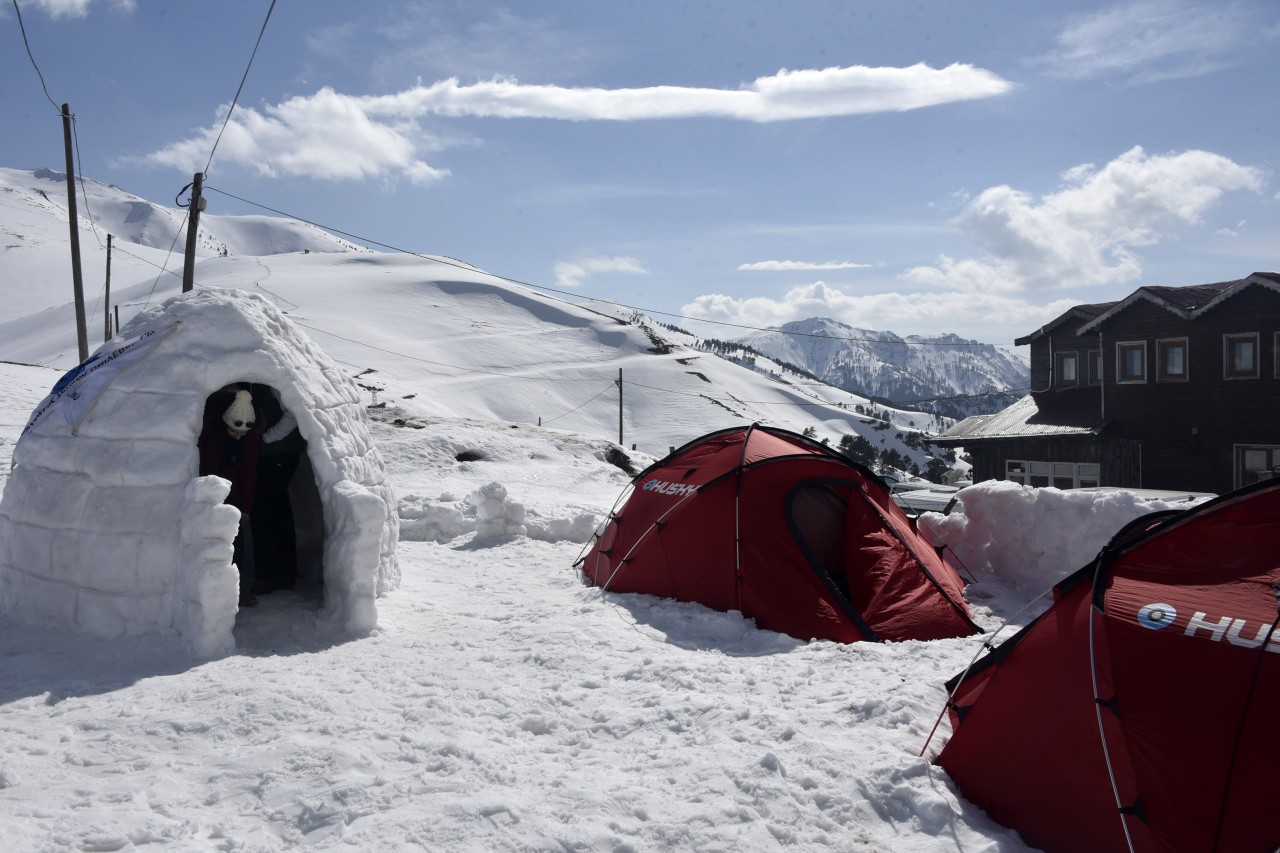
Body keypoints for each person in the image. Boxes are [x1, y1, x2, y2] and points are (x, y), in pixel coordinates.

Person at [198, 387, 261, 607]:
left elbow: (248, 472)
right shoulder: (209, 432)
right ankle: (210, 588)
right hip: (207, 490)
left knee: (236, 539)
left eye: (243, 434)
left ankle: (237, 587)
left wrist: (246, 507)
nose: (239, 437)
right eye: (234, 432)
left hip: (233, 492)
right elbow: (202, 462)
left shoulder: (249, 439)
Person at [250, 384, 306, 594]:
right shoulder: (254, 382)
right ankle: (284, 574)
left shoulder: (272, 382)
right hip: (273, 455)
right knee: (278, 511)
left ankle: (268, 576)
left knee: (263, 513)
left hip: (279, 454)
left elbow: (292, 412)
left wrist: (268, 438)